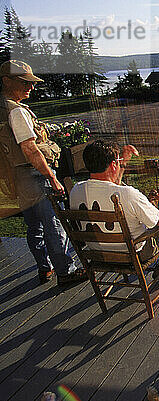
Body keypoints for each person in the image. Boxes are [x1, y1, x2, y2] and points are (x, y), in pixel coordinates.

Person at [0, 60, 85, 285]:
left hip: (18, 178)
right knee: (53, 223)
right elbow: (30, 149)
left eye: (32, 82)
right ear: (6, 81)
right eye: (24, 83)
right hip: (35, 176)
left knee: (34, 225)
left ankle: (44, 267)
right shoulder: (16, 112)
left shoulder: (3, 107)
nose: (31, 87)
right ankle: (66, 271)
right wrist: (51, 177)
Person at [69, 140, 159, 277]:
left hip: (97, 254)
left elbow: (109, 186)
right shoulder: (127, 194)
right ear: (113, 164)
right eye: (117, 161)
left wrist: (122, 163)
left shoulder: (76, 190)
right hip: (134, 254)